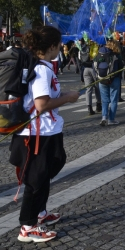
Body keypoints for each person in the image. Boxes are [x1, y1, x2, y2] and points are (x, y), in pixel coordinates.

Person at [9, 26, 79, 243]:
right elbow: (41, 104)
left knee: (52, 167)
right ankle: (27, 227)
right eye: (59, 45)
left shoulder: (43, 67)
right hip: (37, 134)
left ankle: (40, 213)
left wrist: (65, 95)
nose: (61, 48)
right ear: (52, 46)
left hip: (47, 131)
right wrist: (67, 98)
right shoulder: (42, 70)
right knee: (36, 180)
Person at [96, 40, 123, 126]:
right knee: (114, 100)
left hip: (102, 79)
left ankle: (104, 117)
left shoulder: (100, 54)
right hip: (114, 79)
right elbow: (121, 66)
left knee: (104, 100)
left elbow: (95, 66)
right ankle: (111, 119)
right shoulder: (117, 55)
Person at [79, 38, 101, 115]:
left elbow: (80, 59)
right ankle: (98, 104)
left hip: (85, 68)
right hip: (93, 67)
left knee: (88, 89)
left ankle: (89, 107)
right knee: (97, 87)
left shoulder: (82, 48)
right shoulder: (94, 46)